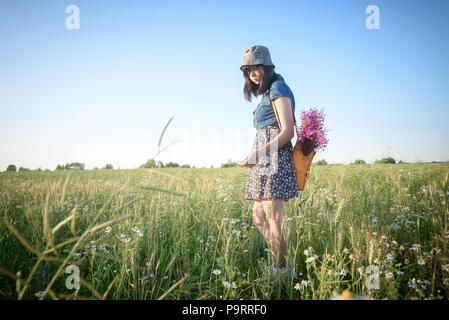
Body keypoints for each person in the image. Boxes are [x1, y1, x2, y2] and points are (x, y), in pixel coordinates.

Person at [238, 45, 298, 279]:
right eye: (249, 70)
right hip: (263, 158)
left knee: (273, 217)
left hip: (274, 157)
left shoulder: (278, 87)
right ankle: (282, 265)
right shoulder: (266, 94)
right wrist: (250, 156)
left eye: (257, 67)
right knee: (258, 217)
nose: (253, 74)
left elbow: (287, 131)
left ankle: (280, 271)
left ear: (267, 66)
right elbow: (263, 130)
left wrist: (259, 153)